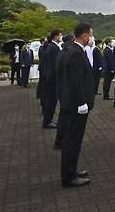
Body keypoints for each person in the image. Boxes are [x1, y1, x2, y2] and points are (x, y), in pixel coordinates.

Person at [58, 22, 95, 188]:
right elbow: (76, 81)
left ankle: (72, 170)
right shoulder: (76, 53)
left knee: (73, 140)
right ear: (85, 35)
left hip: (71, 103)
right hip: (75, 105)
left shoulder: (72, 50)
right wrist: (81, 102)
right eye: (90, 35)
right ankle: (68, 176)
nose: (91, 38)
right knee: (72, 140)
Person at [42, 30, 62, 128]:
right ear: (56, 36)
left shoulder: (52, 47)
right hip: (52, 79)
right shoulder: (54, 48)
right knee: (51, 101)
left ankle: (48, 120)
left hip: (49, 77)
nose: (61, 37)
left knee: (51, 100)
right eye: (60, 35)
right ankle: (47, 121)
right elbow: (56, 65)